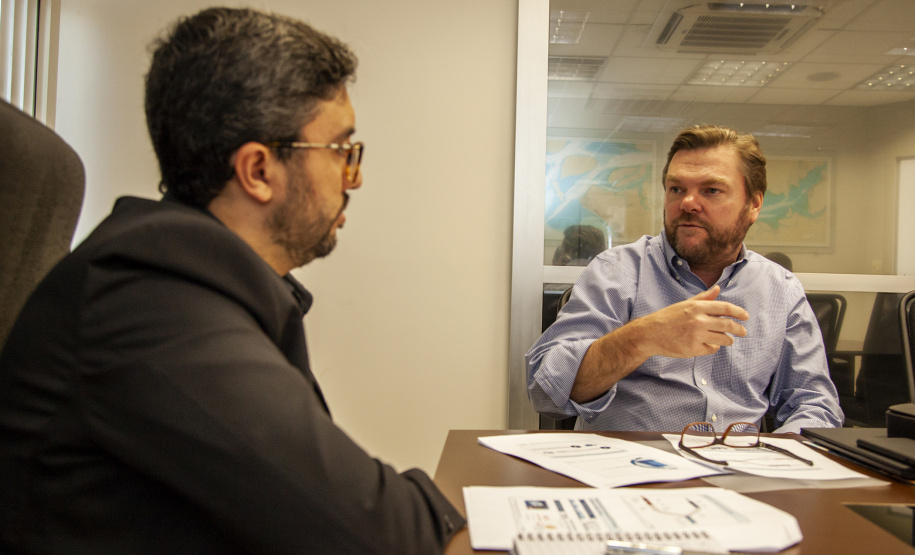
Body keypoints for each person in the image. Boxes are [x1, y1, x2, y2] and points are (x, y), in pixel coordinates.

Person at [0, 8, 463, 554]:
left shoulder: (194, 283)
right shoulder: (153, 302)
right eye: (341, 150)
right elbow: (384, 536)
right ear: (259, 171)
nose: (353, 178)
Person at [526, 125, 843, 434]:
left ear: (754, 204)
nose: (688, 203)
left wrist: (777, 457)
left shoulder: (781, 289)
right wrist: (641, 338)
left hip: (737, 463)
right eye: (676, 189)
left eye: (711, 190)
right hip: (632, 462)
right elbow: (546, 391)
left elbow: (815, 404)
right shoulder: (617, 271)